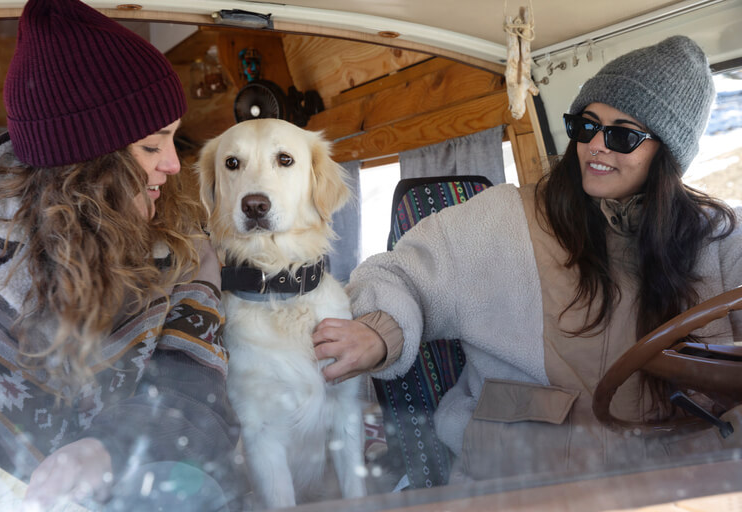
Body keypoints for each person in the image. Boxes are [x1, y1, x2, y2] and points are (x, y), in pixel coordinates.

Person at [312, 35, 742, 483]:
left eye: (621, 135)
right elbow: (399, 273)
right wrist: (376, 331)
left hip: (670, 480)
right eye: (586, 126)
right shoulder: (505, 218)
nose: (597, 145)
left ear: (666, 154)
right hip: (520, 476)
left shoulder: (717, 238)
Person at [0, 0, 242, 509]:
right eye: (150, 146)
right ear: (88, 163)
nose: (172, 163)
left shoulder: (184, 243)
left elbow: (193, 387)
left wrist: (109, 448)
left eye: (172, 138)